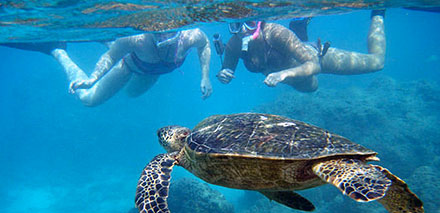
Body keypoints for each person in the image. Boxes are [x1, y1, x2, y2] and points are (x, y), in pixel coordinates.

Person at [3, 29, 213, 106]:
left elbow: (204, 45)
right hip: (130, 67)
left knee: (132, 95)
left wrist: (205, 77)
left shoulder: (191, 37)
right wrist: (92, 79)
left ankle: (104, 37)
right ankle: (57, 51)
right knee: (88, 99)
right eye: (158, 32)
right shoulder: (137, 40)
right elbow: (111, 56)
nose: (164, 37)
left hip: (153, 72)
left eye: (169, 32)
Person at [217, 10, 386, 92]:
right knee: (310, 88)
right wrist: (224, 75)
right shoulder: (234, 45)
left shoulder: (275, 32)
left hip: (314, 56)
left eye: (251, 24)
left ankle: (378, 12)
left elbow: (314, 65)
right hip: (297, 79)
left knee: (377, 63)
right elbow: (227, 71)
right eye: (237, 25)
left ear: (260, 22)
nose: (244, 30)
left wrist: (283, 75)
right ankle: (299, 26)